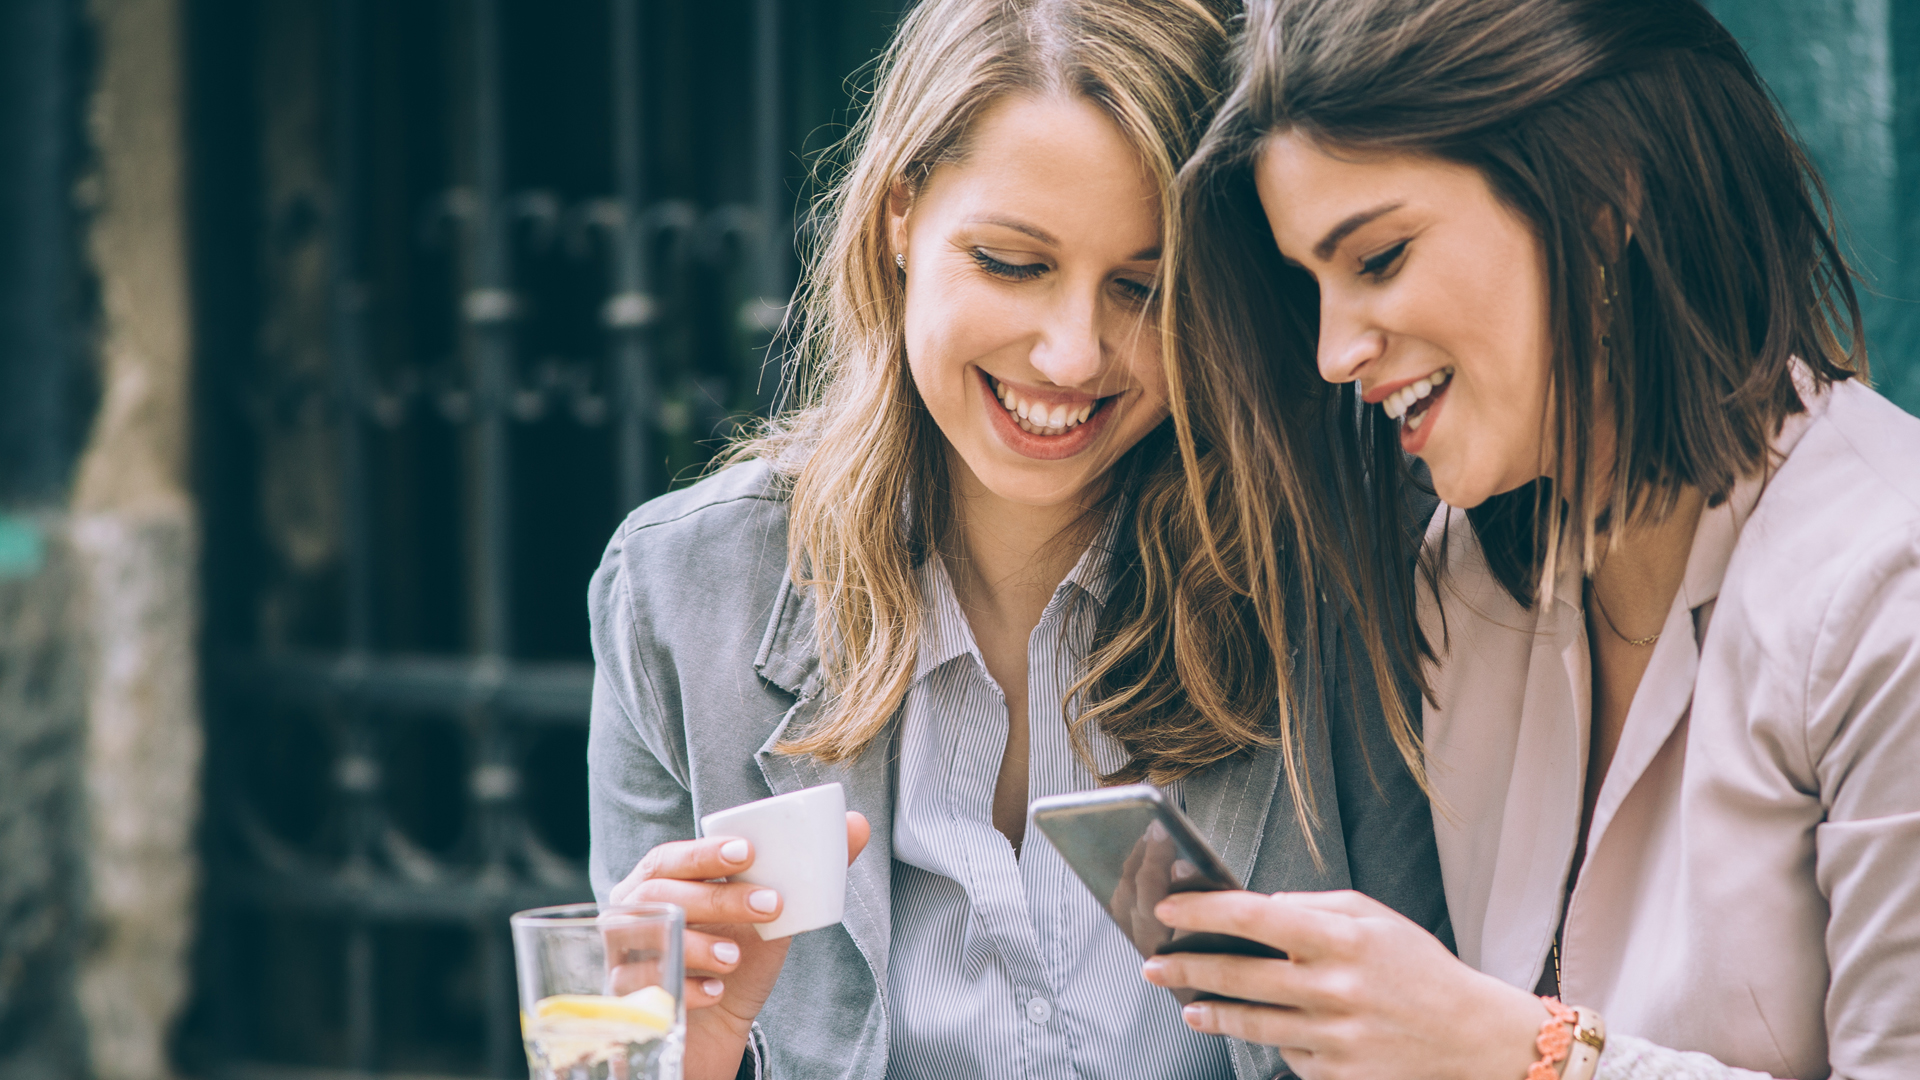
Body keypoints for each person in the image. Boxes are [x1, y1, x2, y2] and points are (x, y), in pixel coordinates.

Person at [584, 0, 1448, 1077]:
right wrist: (679, 1056)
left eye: (1143, 289)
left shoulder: (1337, 576)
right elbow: (634, 1048)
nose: (1074, 355)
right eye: (1011, 261)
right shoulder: (681, 596)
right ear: (900, 217)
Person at [1147, 1, 1920, 1078]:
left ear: (1601, 198)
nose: (1332, 351)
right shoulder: (1469, 587)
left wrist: (1521, 1052)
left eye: (1378, 256)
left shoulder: (1889, 589)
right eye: (1310, 285)